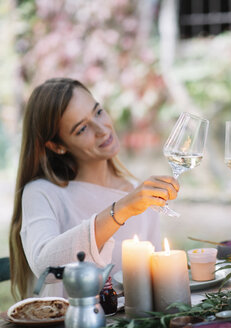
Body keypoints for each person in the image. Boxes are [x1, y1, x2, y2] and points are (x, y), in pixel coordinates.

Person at [9, 78, 179, 300]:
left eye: (98, 112)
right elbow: (45, 265)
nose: (102, 130)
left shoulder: (139, 193)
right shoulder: (42, 193)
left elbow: (158, 279)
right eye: (82, 129)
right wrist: (122, 210)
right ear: (57, 146)